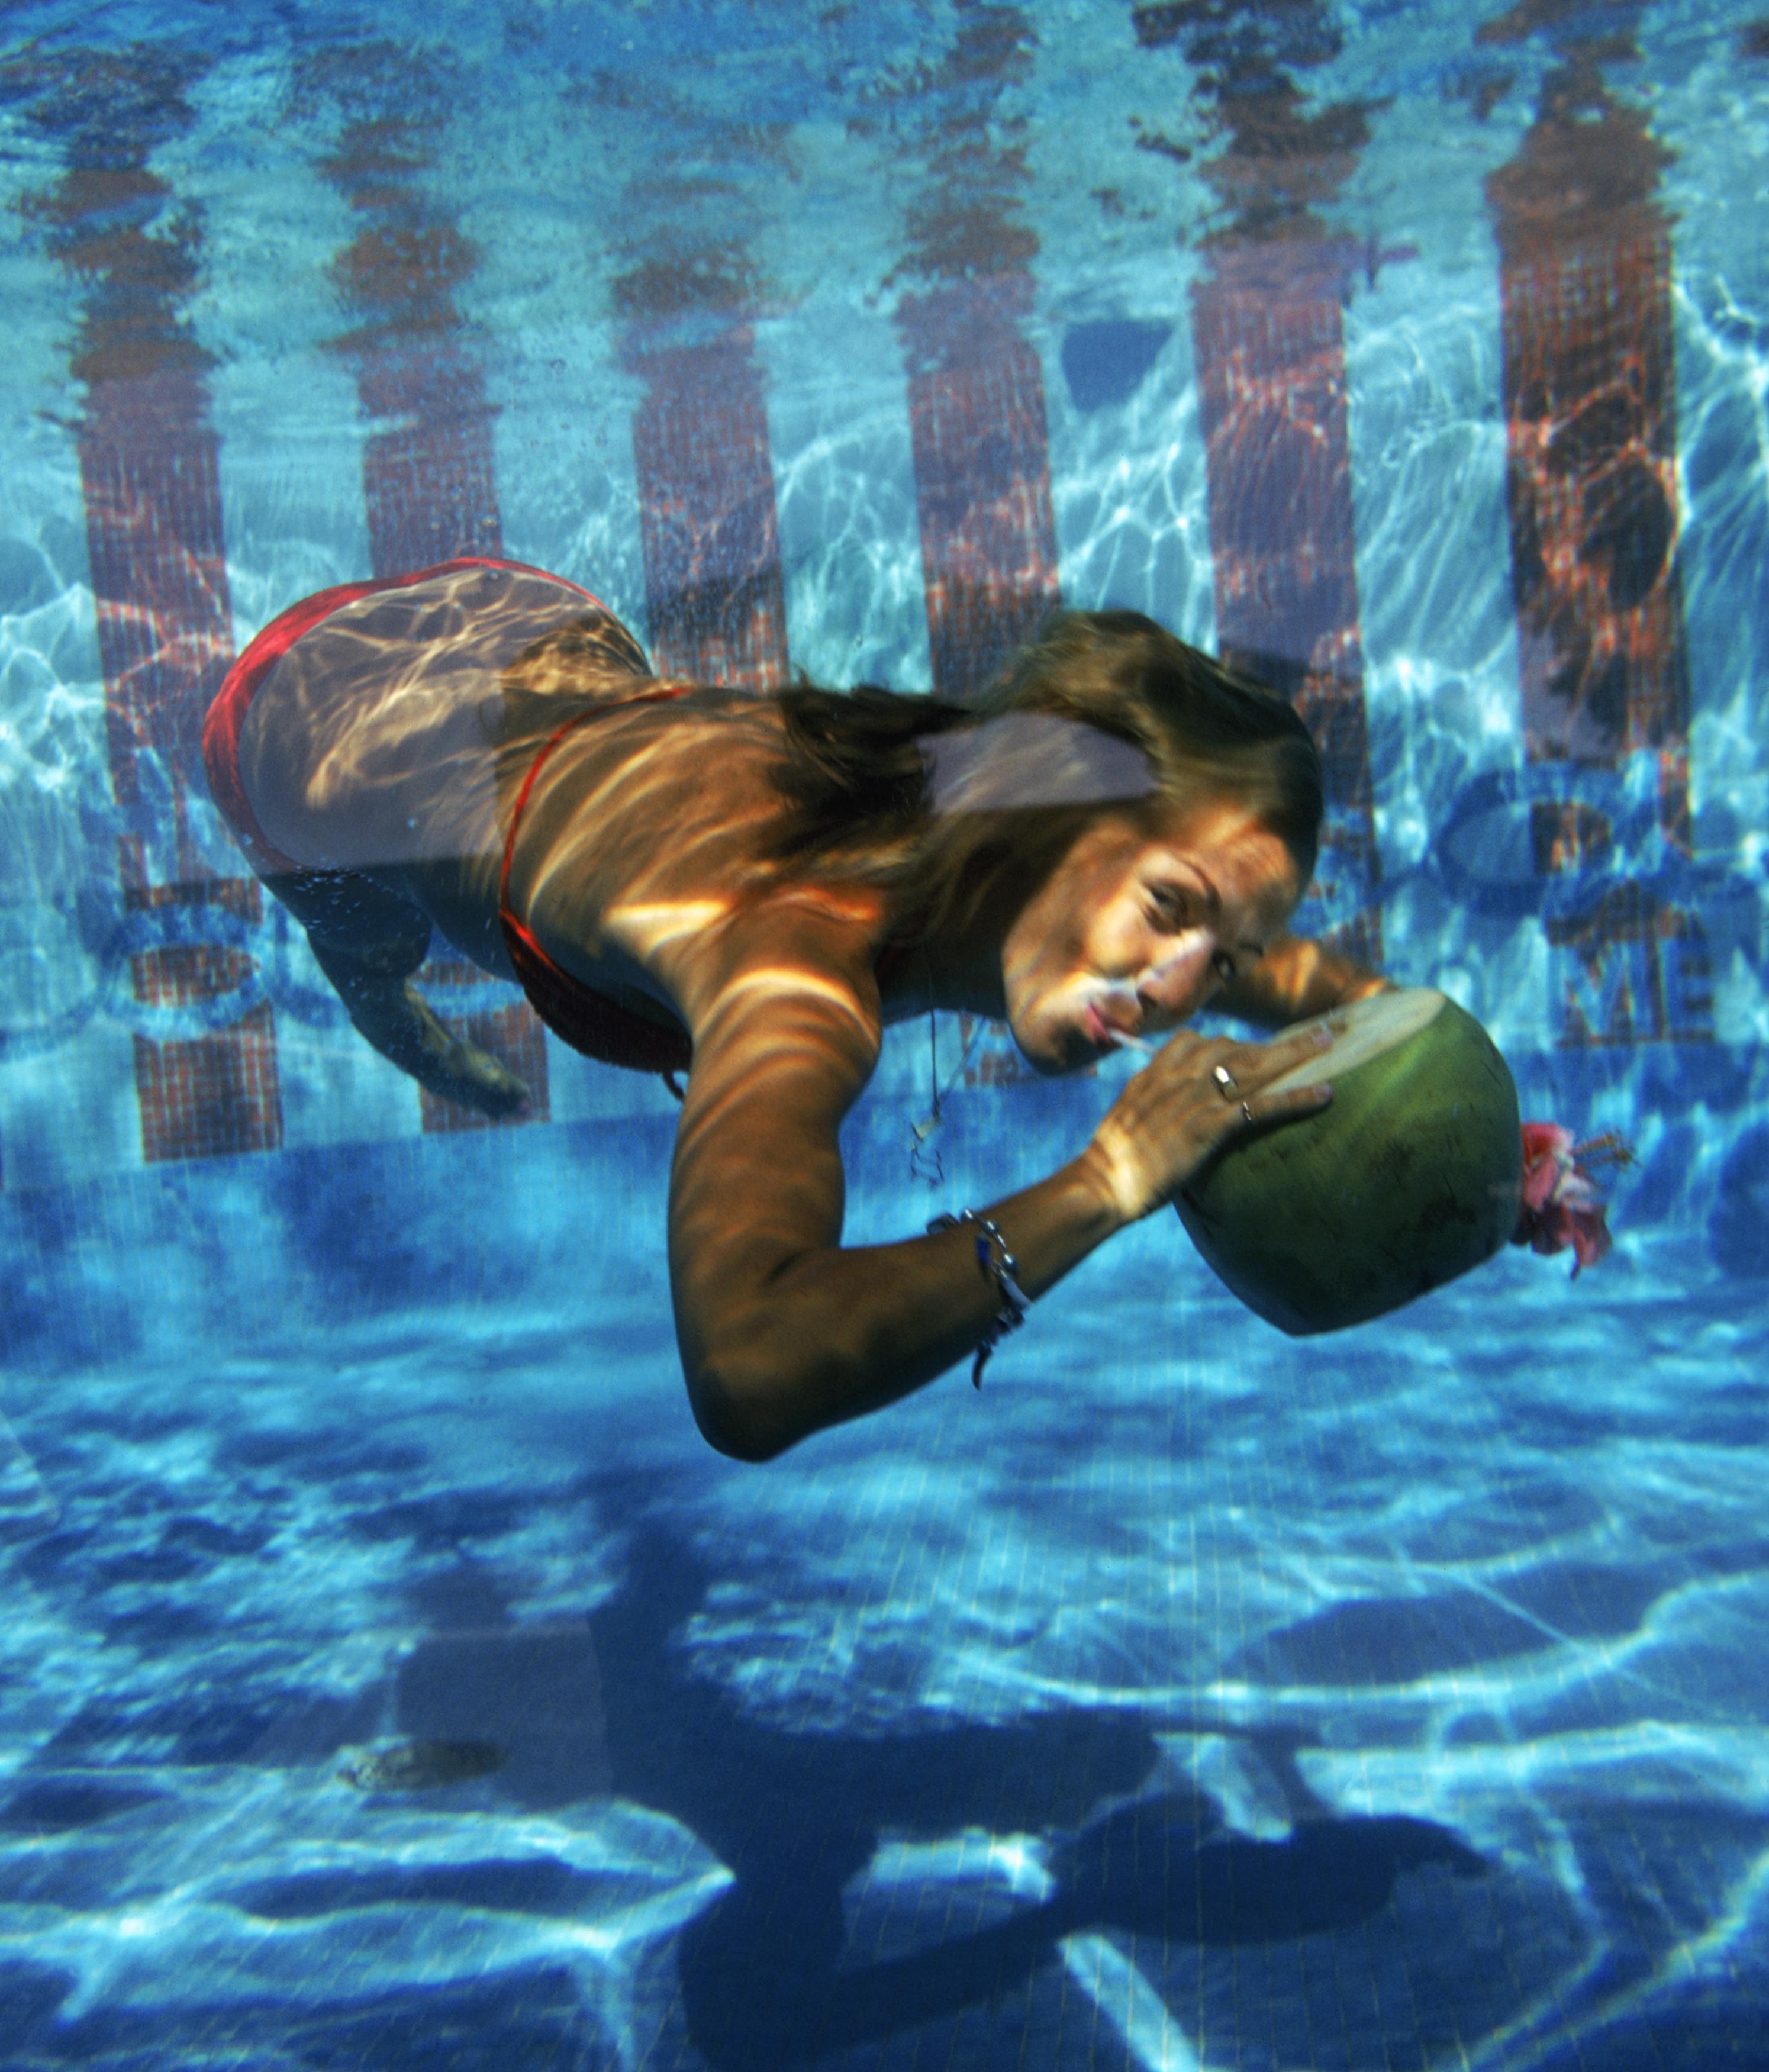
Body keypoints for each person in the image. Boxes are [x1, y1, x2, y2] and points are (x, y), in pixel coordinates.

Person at [203, 558, 1383, 1462]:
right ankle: (371, 992)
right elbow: (747, 1366)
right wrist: (1106, 1181)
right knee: (369, 929)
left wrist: (1481, 1155)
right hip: (307, 728)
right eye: (1168, 907)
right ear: (1052, 823)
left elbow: (1289, 968)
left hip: (534, 636)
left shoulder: (970, 776)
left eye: (1217, 962)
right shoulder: (791, 966)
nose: (1180, 989)